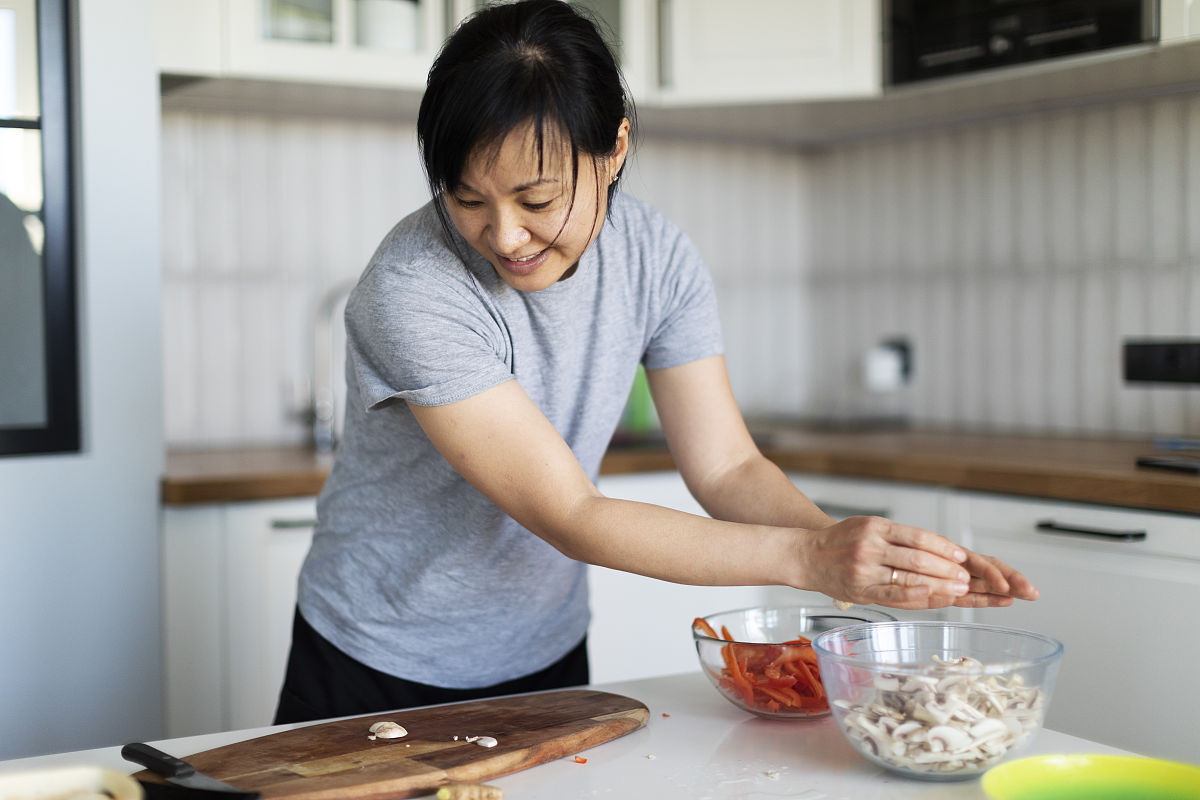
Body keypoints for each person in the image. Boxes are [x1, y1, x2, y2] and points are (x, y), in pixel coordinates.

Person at [274, 0, 1038, 725]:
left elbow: (729, 468)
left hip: (544, 652)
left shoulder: (656, 255)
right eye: (467, 199)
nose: (504, 236)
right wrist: (816, 557)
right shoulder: (411, 286)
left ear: (614, 150)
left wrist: (865, 562)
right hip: (374, 659)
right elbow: (572, 515)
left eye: (537, 200)